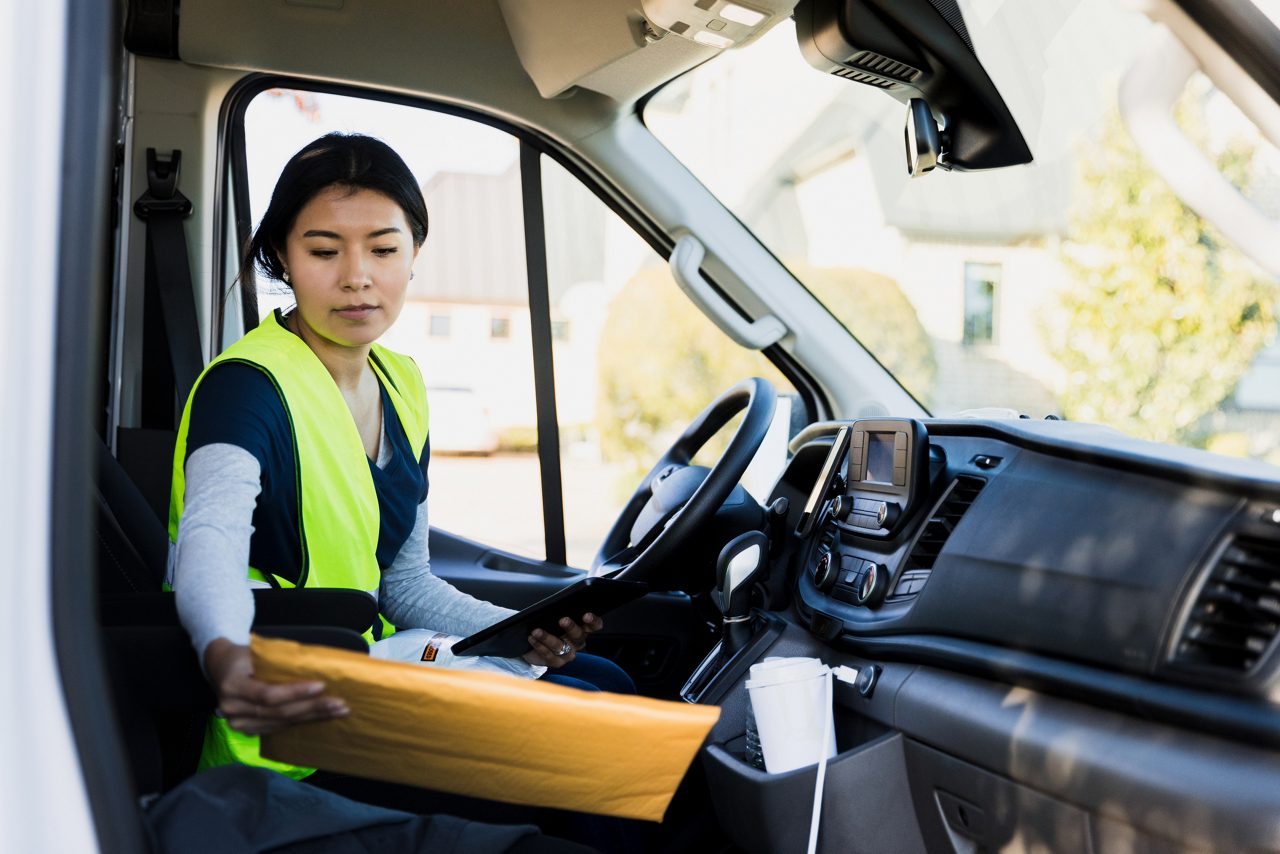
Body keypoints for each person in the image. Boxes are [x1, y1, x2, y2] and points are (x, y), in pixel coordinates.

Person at [166, 132, 635, 786]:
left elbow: (403, 584)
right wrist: (228, 659)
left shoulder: (402, 384)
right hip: (292, 728)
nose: (357, 276)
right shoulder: (245, 384)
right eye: (324, 250)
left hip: (376, 668)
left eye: (384, 249)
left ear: (414, 253)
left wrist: (516, 633)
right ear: (281, 256)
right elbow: (209, 536)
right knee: (589, 763)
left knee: (603, 681)